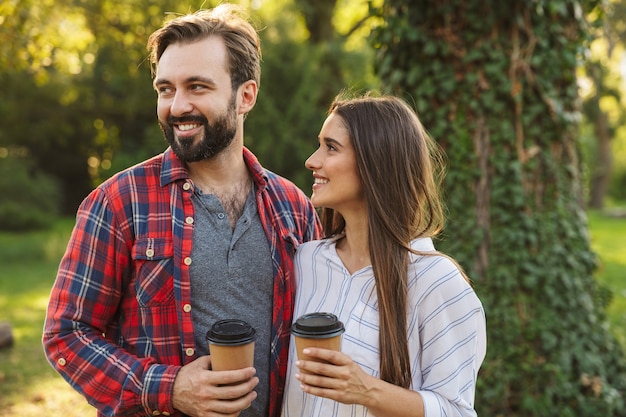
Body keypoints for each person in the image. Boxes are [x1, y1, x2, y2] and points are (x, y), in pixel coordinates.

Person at [42, 4, 322, 417]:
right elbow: (66, 335)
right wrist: (167, 388)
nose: (176, 107)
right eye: (165, 89)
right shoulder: (119, 202)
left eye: (197, 87)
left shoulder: (293, 207)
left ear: (245, 96)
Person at [281, 93, 487, 417]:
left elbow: (456, 411)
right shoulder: (305, 262)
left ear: (375, 161)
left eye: (330, 147)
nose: (312, 160)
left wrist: (366, 390)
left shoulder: (437, 283)